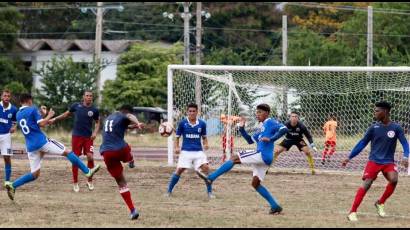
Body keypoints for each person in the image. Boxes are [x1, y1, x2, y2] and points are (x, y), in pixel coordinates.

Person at [4, 94, 101, 200]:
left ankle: (13, 185)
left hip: (31, 147)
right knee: (67, 152)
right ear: (29, 101)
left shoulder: (18, 114)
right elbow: (42, 124)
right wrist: (49, 115)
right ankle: (87, 172)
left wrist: (41, 114)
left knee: (35, 174)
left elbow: (32, 122)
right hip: (42, 142)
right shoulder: (32, 109)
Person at [197, 104, 288, 214]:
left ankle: (211, 178)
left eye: (260, 112)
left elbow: (284, 129)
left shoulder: (270, 122)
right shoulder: (261, 128)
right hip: (265, 159)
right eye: (257, 112)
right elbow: (250, 140)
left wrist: (271, 139)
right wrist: (241, 128)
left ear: (267, 113)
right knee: (255, 184)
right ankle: (275, 206)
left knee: (234, 158)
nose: (257, 114)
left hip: (262, 155)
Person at [342, 101, 409, 222]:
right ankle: (352, 212)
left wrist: (406, 156)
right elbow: (362, 143)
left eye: (377, 111)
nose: (375, 113)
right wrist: (349, 157)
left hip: (388, 161)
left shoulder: (396, 128)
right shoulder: (373, 128)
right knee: (367, 183)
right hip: (374, 161)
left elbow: (404, 143)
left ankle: (380, 203)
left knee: (394, 180)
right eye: (375, 110)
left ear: (385, 112)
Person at [99, 104, 144, 220]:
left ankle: (133, 210)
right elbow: (129, 116)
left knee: (121, 182)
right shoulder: (124, 114)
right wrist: (138, 123)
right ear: (126, 111)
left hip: (106, 152)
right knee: (127, 147)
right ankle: (130, 159)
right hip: (120, 149)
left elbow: (124, 126)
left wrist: (133, 126)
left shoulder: (110, 117)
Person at [50, 90, 100, 192]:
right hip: (77, 136)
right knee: (75, 159)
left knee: (90, 157)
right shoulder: (76, 106)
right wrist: (54, 119)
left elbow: (98, 122)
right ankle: (75, 183)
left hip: (88, 137)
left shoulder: (94, 110)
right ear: (83, 97)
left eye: (91, 96)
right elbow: (65, 114)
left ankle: (89, 181)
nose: (89, 97)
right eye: (87, 96)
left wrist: (95, 133)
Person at [166, 103, 214, 198]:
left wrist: (206, 144)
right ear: (187, 112)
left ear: (197, 112)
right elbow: (177, 137)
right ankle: (168, 191)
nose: (191, 113)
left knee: (206, 169)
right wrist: (176, 147)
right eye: (190, 111)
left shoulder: (202, 124)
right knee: (179, 170)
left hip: (198, 152)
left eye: (193, 111)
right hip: (185, 152)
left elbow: (204, 137)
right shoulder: (182, 123)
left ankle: (210, 193)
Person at [0, 90, 18, 184]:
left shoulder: (14, 109)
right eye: (5, 96)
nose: (6, 97)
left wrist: (14, 127)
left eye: (8, 96)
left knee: (7, 158)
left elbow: (15, 122)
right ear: (1, 97)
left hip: (6, 136)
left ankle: (7, 181)